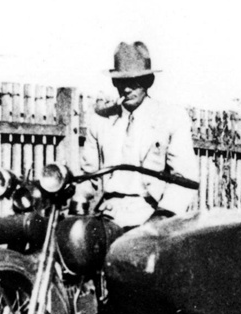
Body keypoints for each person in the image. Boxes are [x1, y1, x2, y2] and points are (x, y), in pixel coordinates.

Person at [77, 41, 199, 231]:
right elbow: (87, 177)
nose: (127, 89)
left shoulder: (170, 118)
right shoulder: (100, 120)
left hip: (150, 217)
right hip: (107, 217)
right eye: (121, 81)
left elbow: (185, 179)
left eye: (134, 81)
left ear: (148, 81)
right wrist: (78, 204)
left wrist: (161, 218)